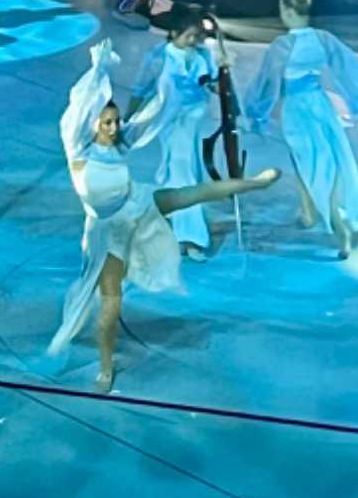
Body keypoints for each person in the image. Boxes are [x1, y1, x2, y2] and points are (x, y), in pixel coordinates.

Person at [50, 40, 281, 391]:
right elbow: (80, 105)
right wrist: (99, 69)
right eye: (107, 122)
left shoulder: (122, 142)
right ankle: (106, 366)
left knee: (194, 193)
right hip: (106, 231)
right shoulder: (78, 149)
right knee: (110, 306)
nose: (113, 127)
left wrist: (171, 85)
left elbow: (155, 113)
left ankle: (255, 182)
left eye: (116, 121)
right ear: (93, 123)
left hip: (136, 205)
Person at [240, 0, 358, 258]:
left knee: (314, 166)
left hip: (297, 111)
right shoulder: (323, 38)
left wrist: (256, 113)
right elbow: (349, 70)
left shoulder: (283, 45)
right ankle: (308, 212)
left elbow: (266, 83)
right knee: (323, 159)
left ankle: (340, 226)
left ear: (289, 12)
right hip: (320, 105)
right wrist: (356, 106)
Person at [129, 11, 221, 258]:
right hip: (169, 121)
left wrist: (222, 76)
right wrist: (129, 120)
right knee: (181, 172)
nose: (193, 41)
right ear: (173, 33)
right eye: (188, 36)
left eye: (196, 36)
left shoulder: (203, 55)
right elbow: (140, 90)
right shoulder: (158, 57)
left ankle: (177, 227)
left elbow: (214, 84)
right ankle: (188, 235)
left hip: (194, 120)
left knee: (182, 170)